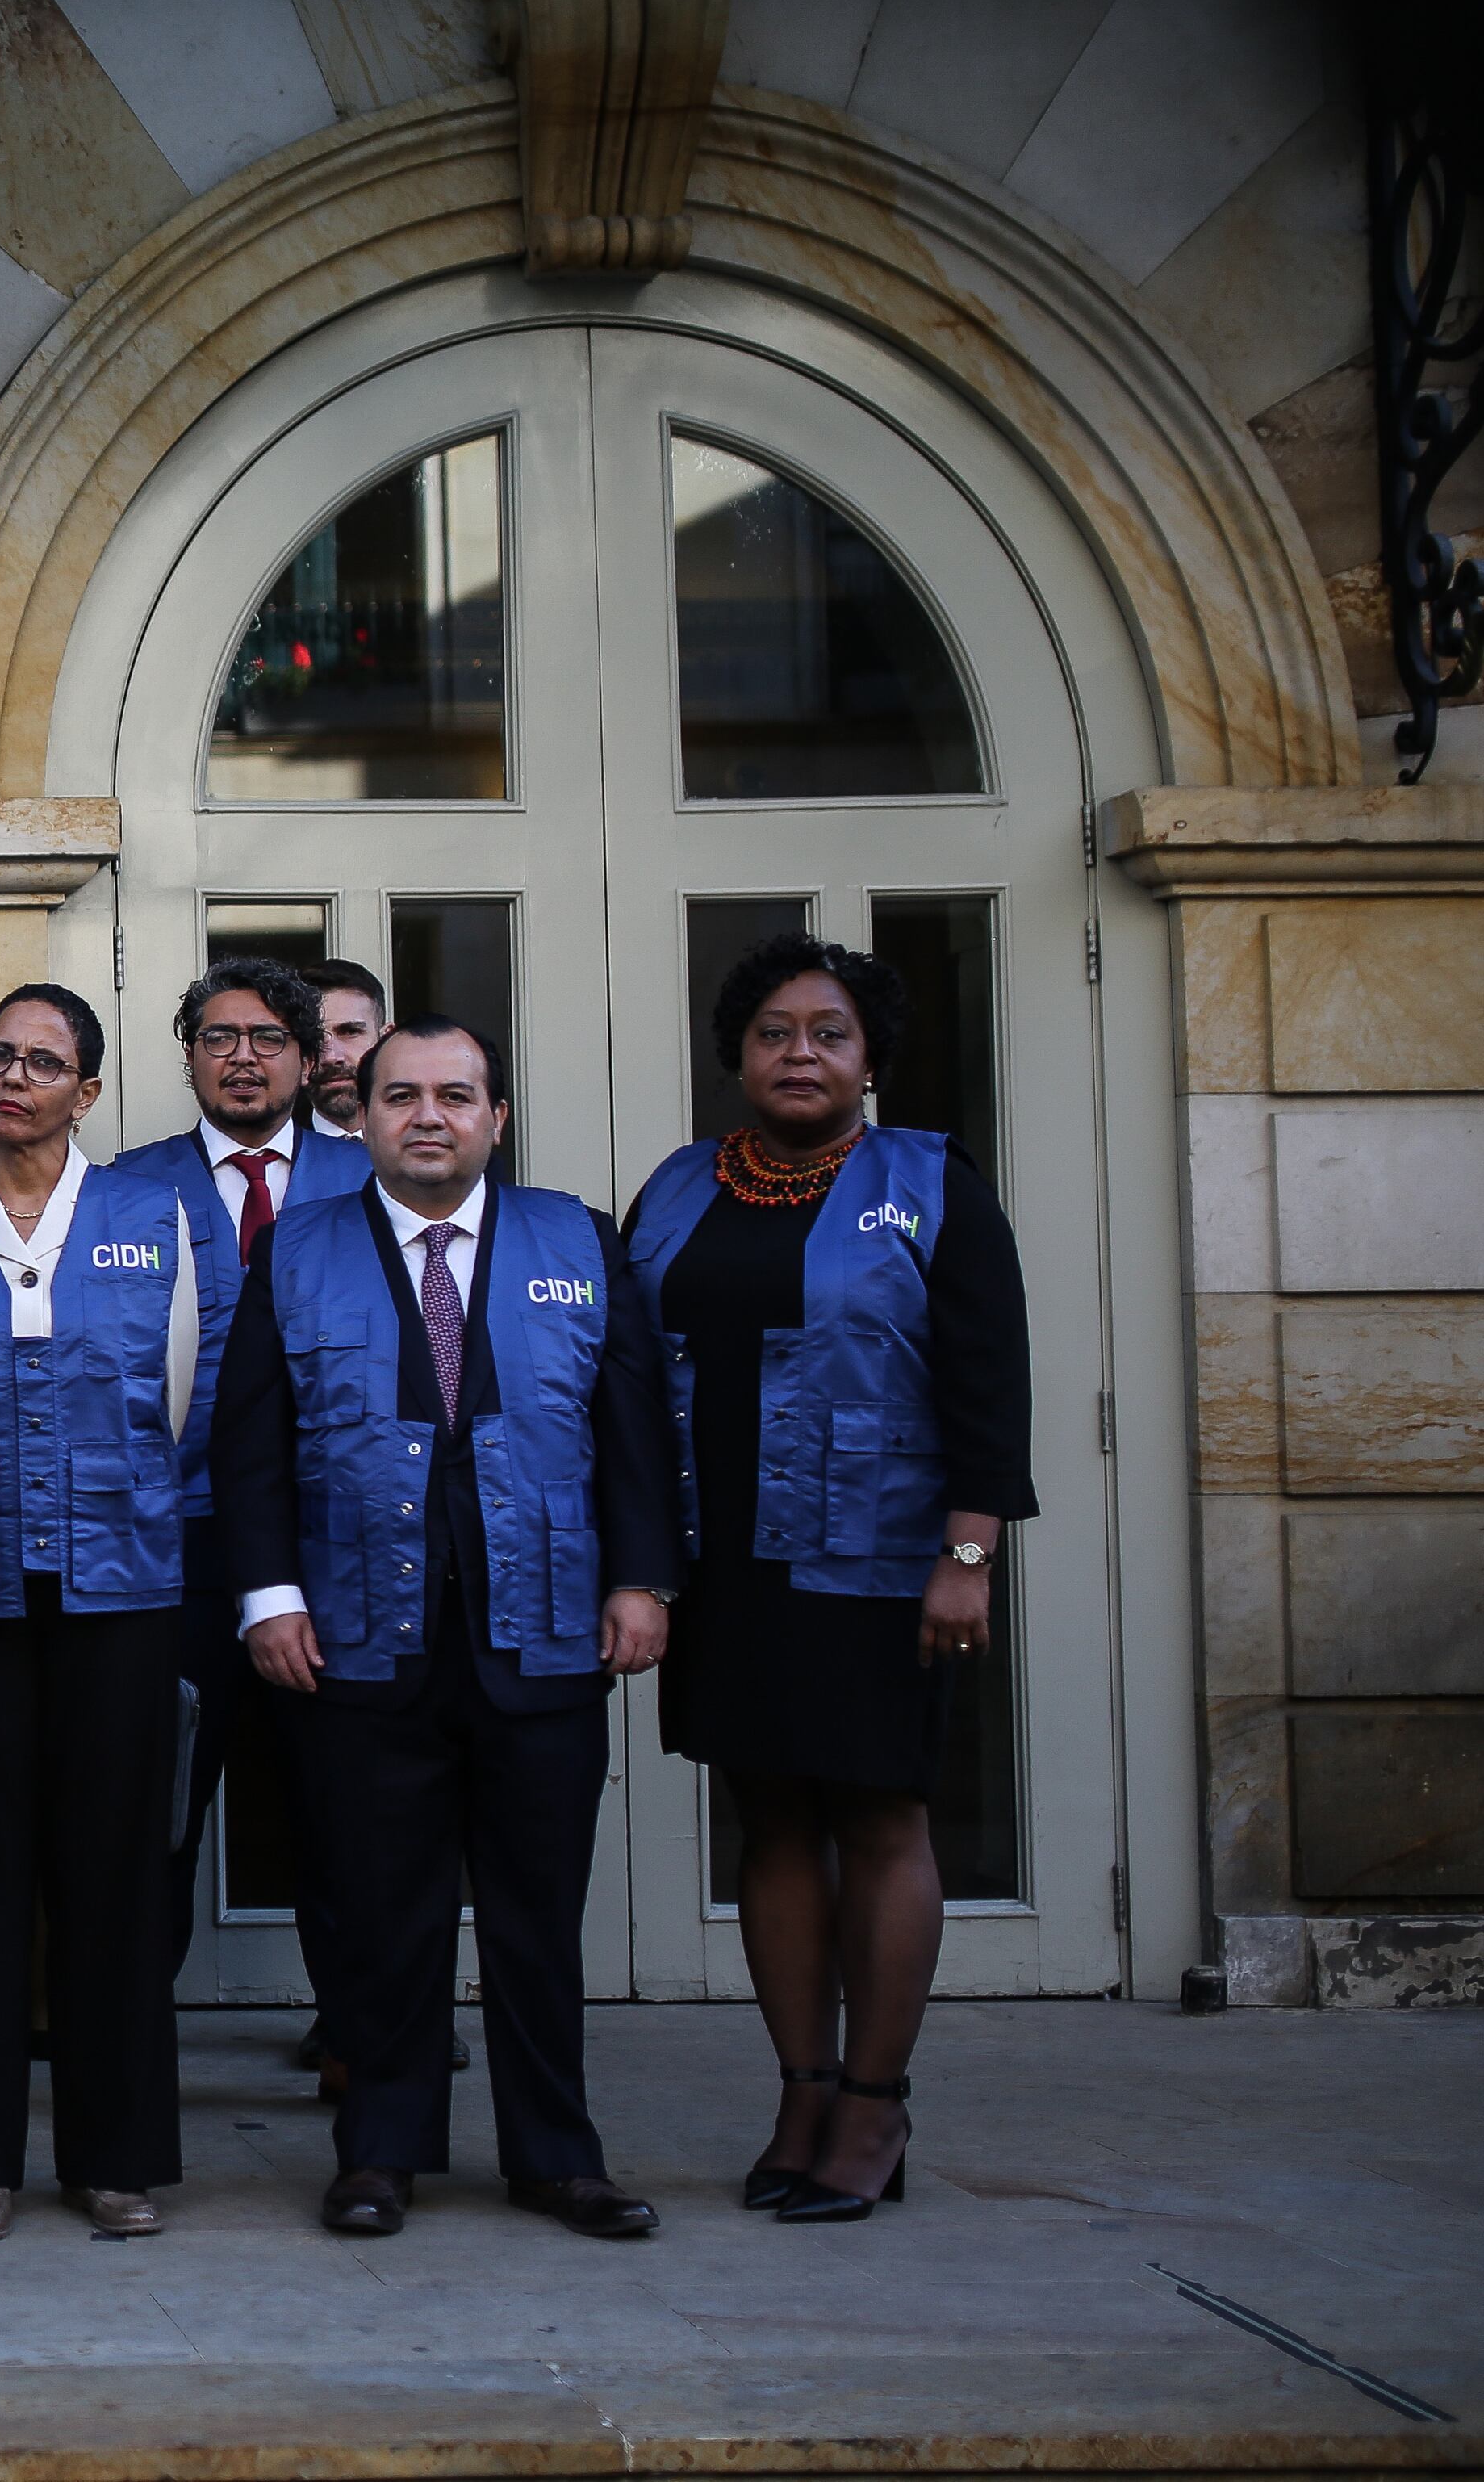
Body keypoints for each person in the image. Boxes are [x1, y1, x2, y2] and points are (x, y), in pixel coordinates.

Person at [212, 1015, 681, 2241]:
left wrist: (644, 1581)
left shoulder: (577, 1237)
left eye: (457, 1095)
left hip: (544, 1633)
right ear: (360, 1118)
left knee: (538, 1916)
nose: (430, 1115)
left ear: (496, 1119)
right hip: (362, 1636)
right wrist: (269, 1595)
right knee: (383, 1914)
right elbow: (249, 1438)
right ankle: (381, 2150)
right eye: (402, 1094)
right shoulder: (296, 1246)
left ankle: (556, 2156)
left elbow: (634, 1428)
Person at [628, 934, 1033, 2225]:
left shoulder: (929, 1182)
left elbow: (989, 1376)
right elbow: (630, 1379)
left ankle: (875, 2100)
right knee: (773, 1821)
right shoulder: (682, 1187)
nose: (801, 1052)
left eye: (830, 1032)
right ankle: (801, 2090)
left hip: (876, 1558)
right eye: (775, 1033)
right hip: (727, 1559)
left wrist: (968, 1554)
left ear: (871, 1058)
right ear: (738, 1055)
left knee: (880, 1817)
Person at [0, 986, 194, 2242]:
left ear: (89, 1091)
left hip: (116, 1579)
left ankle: (114, 2155)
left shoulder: (148, 1214)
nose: (13, 1077)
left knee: (114, 1870)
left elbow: (172, 1396)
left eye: (43, 1061)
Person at [111, 958, 371, 2079]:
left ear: (310, 1060)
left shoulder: (372, 1179)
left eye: (269, 1037)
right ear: (189, 1058)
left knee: (344, 1801)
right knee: (156, 1800)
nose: (244, 1055)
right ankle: (128, 2044)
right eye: (220, 1037)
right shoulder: (128, 1184)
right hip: (174, 1545)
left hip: (339, 1543)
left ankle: (366, 2031)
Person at [297, 957, 386, 1140]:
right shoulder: (276, 1158)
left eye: (350, 1032)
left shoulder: (423, 1146)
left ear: (385, 1039)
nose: (331, 1056)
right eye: (313, 1037)